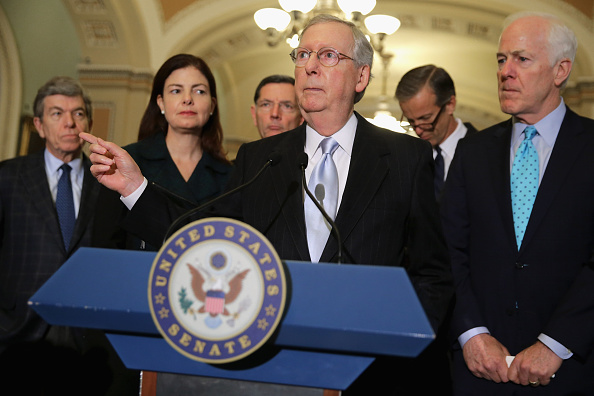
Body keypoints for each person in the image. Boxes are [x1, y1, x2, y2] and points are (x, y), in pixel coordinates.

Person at [82, 14, 453, 395]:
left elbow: (433, 274)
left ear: (360, 77)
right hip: (273, 369)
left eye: (327, 56)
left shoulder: (405, 157)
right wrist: (136, 188)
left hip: (372, 373)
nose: (309, 66)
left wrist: (401, 345)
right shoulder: (261, 159)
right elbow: (203, 235)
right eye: (302, 54)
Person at [441, 11, 594, 395]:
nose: (505, 71)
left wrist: (555, 344)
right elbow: (447, 253)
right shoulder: (472, 151)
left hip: (570, 371)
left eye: (522, 59)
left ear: (561, 71)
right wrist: (472, 334)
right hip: (479, 371)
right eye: (501, 59)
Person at [0, 76, 129, 394]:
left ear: (89, 122)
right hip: (17, 333)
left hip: (89, 339)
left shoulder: (111, 184)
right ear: (40, 125)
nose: (70, 123)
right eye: (57, 113)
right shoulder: (7, 177)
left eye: (79, 113)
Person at [93, 54, 233, 250]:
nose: (187, 99)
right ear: (160, 102)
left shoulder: (230, 175)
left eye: (199, 91)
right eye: (176, 91)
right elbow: (104, 248)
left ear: (212, 105)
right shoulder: (125, 163)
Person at [396, 65, 477, 199]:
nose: (418, 130)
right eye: (411, 121)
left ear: (450, 105)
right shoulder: (407, 159)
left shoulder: (485, 153)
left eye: (425, 119)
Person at [250, 74, 303, 138]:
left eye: (287, 106)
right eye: (266, 105)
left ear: (302, 117)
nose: (275, 114)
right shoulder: (245, 148)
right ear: (254, 115)